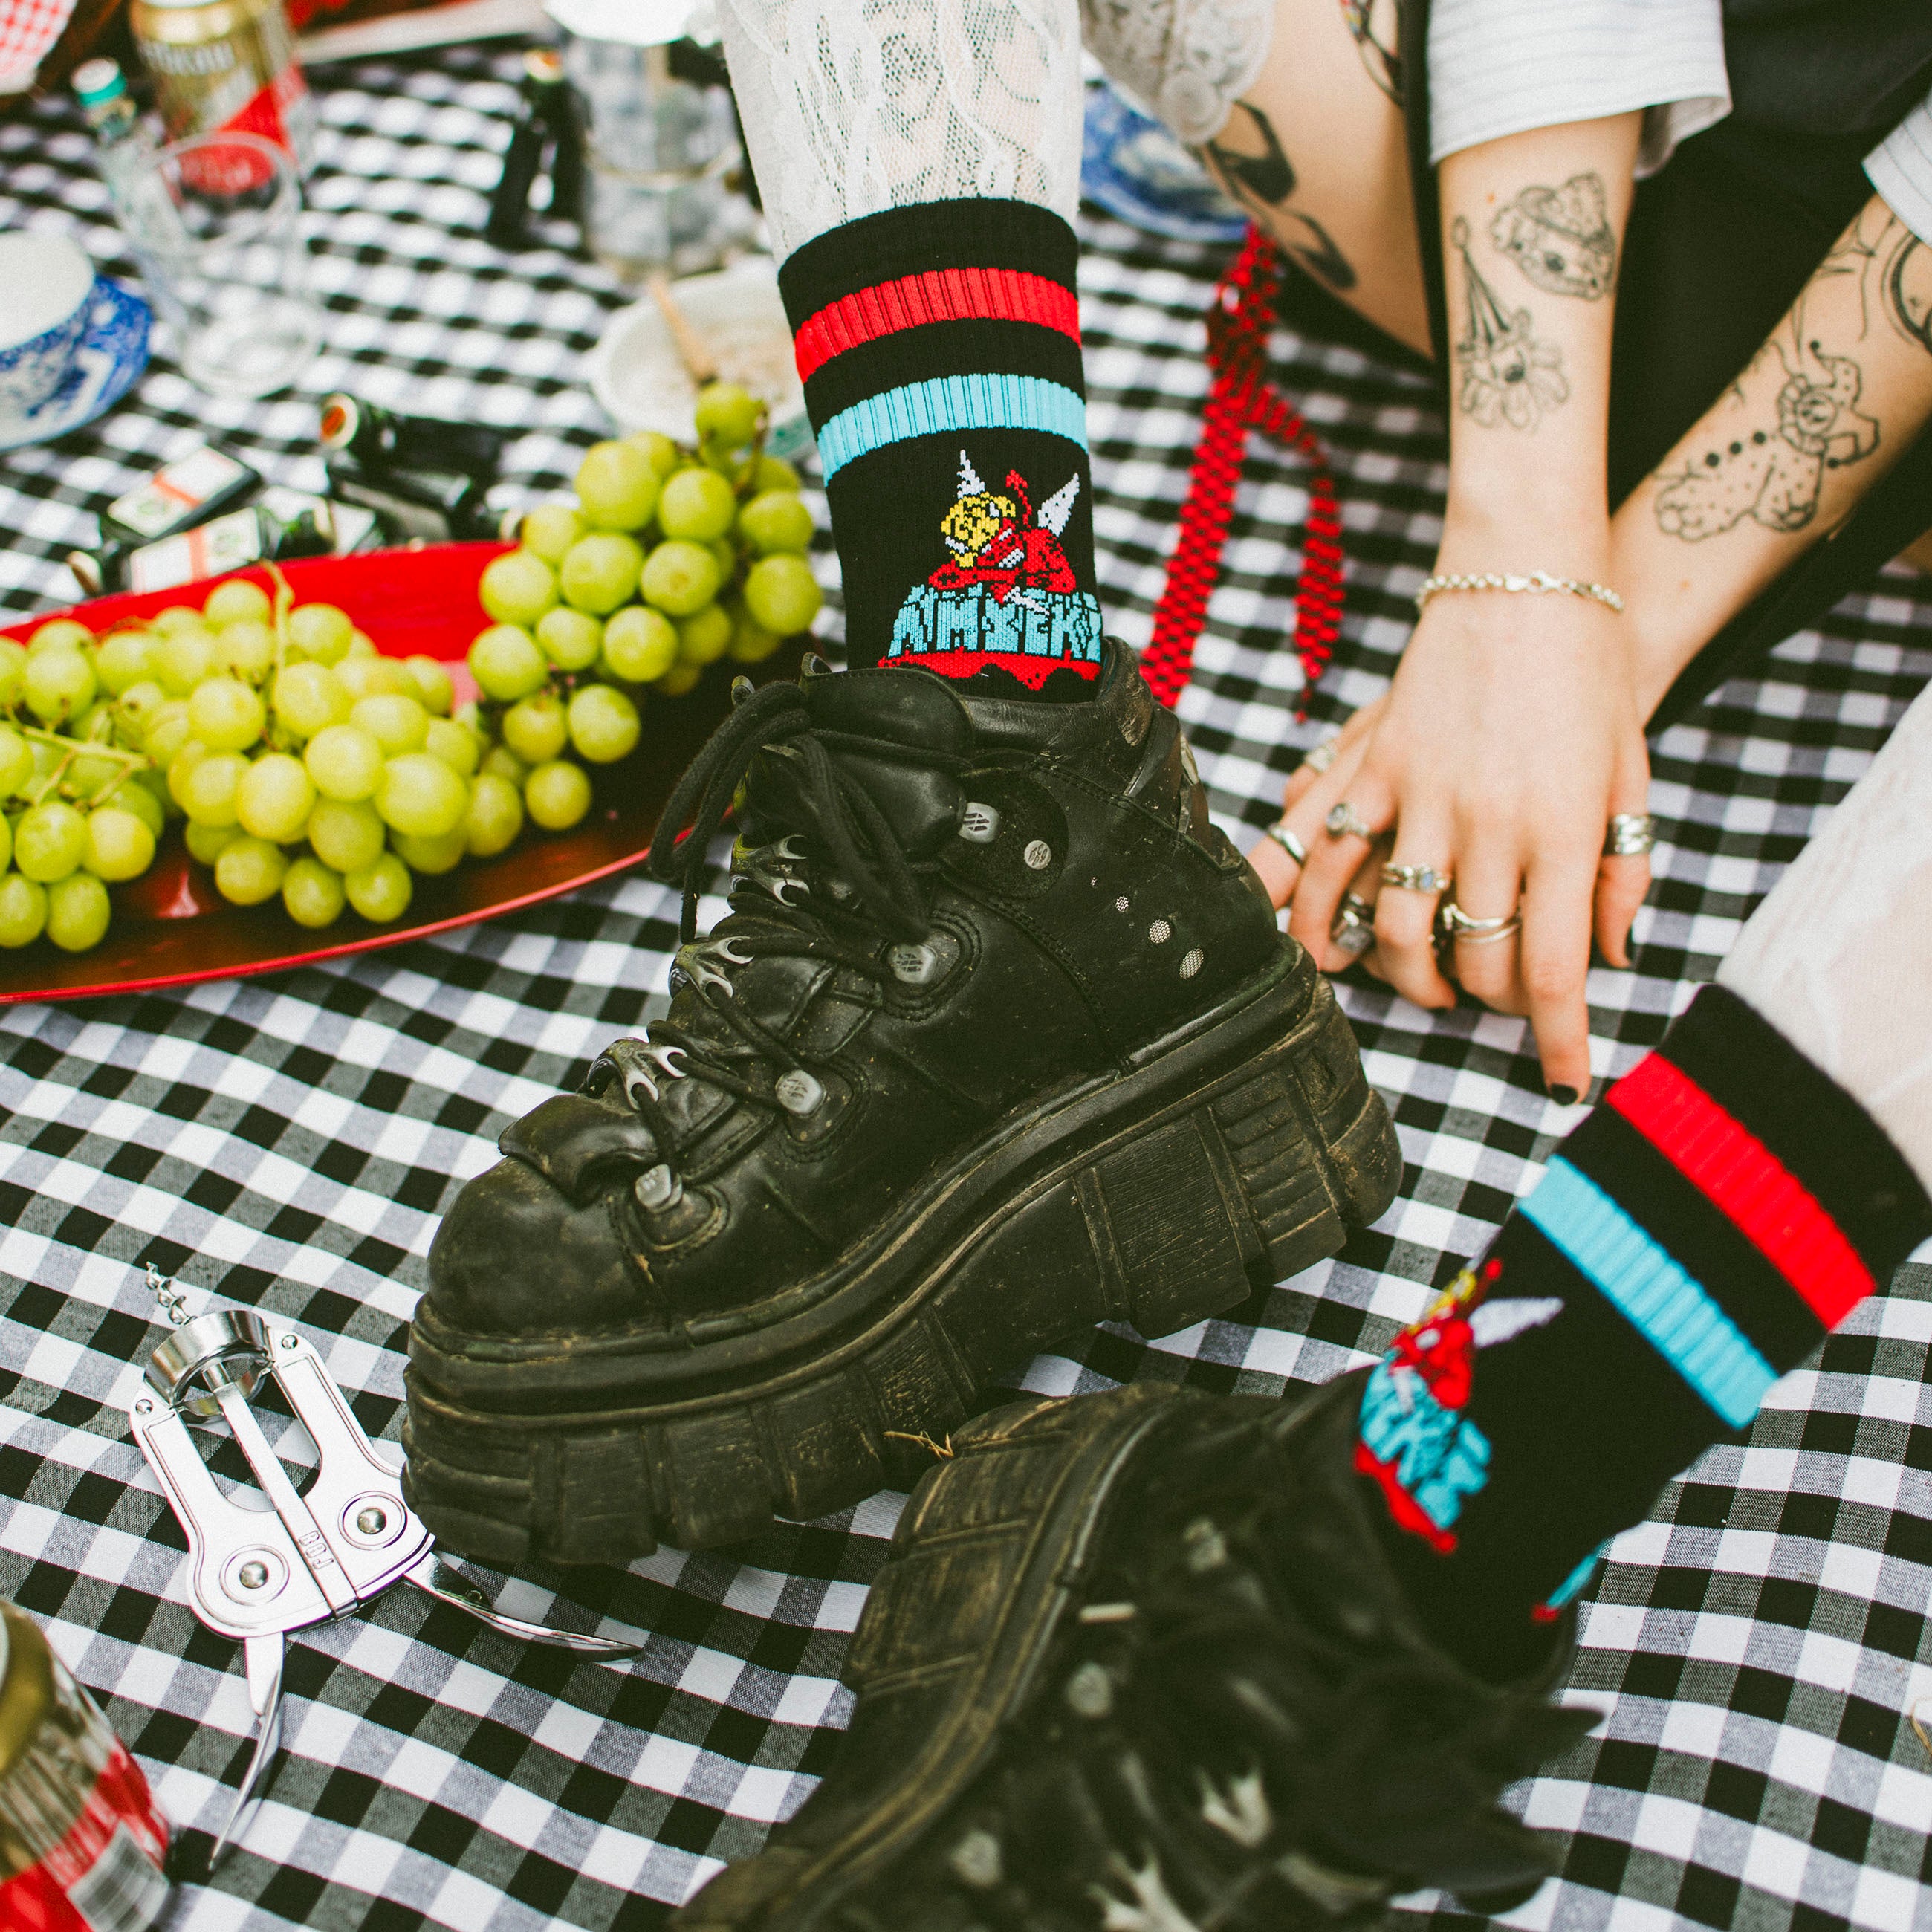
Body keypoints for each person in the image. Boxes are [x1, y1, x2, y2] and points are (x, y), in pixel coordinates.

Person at [402, 1, 1932, 1920]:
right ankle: (1008, 755)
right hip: (1541, 142)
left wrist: (1616, 616)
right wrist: (1522, 561)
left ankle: (1415, 1522)